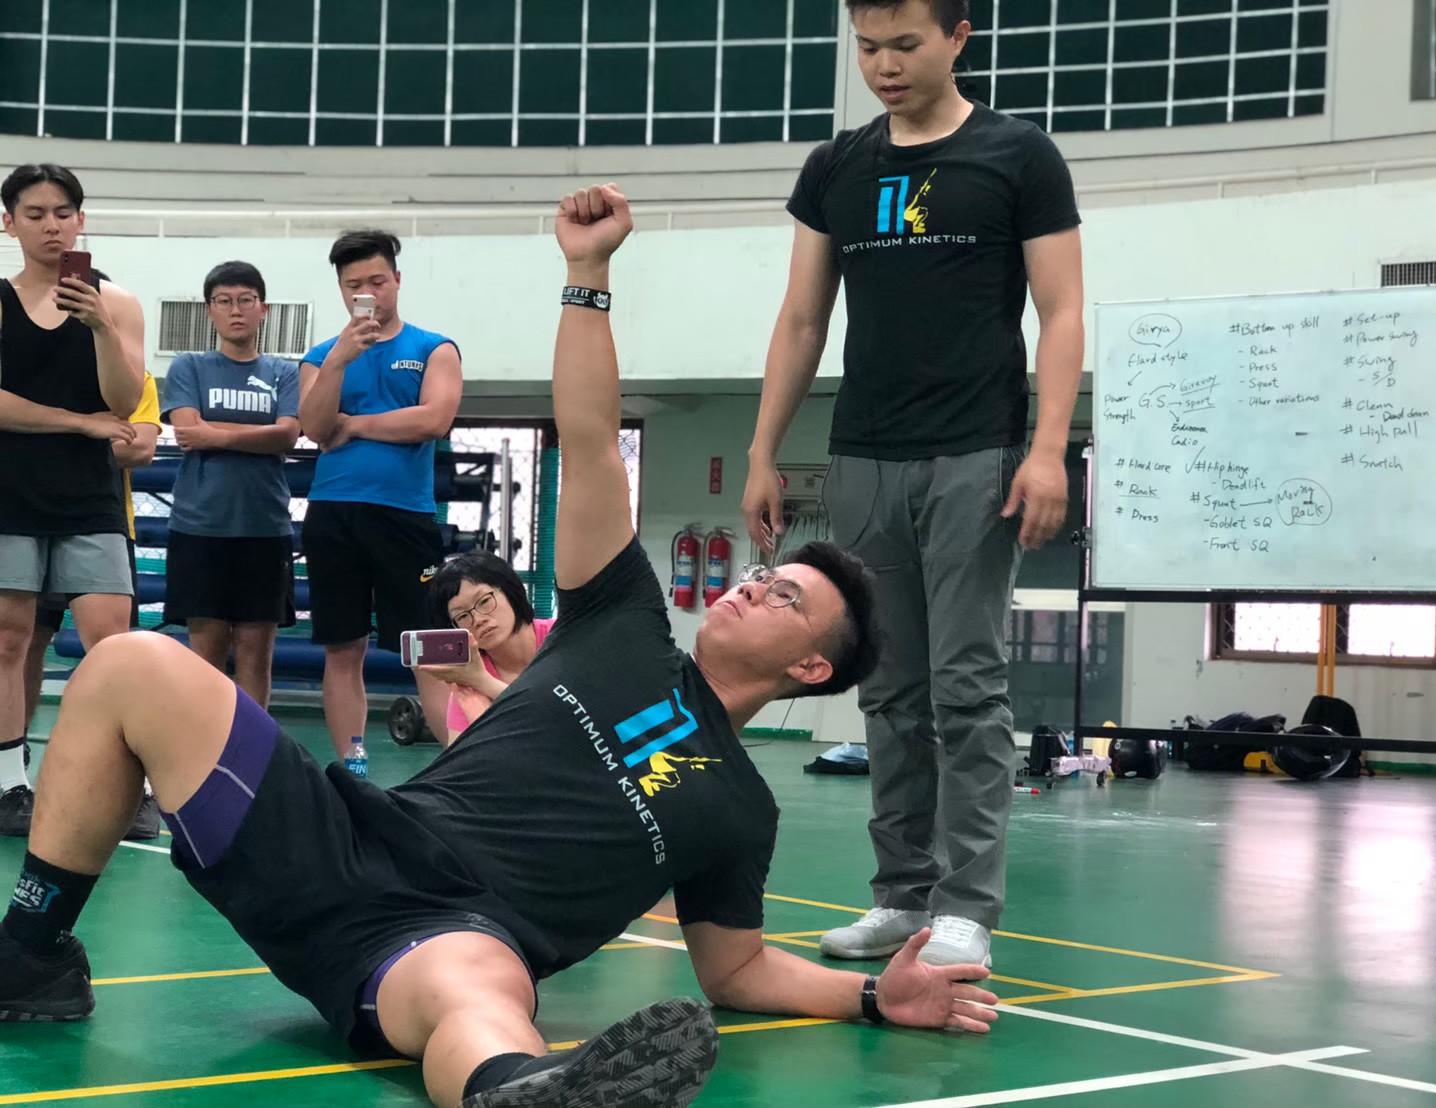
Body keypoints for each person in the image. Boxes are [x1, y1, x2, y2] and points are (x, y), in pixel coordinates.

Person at [0, 185, 998, 1108]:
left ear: (810, 668)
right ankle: (32, 953)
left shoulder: (740, 811)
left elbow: (735, 969)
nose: (748, 584)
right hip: (344, 838)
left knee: (478, 992)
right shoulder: (623, 623)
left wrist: (876, 995)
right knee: (128, 663)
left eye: (782, 597)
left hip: (446, 938)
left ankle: (518, 1089)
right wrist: (587, 274)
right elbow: (591, 436)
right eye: (760, 573)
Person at [741, 0, 1085, 969]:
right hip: (863, 456)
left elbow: (1060, 312)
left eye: (904, 45)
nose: (883, 66)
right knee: (887, 687)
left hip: (977, 452)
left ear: (957, 38)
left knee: (966, 686)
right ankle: (900, 896)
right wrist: (764, 451)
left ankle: (966, 905)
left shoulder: (1018, 157)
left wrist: (1047, 449)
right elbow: (801, 320)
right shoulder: (836, 168)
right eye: (866, 48)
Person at [0, 163, 146, 837]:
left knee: (113, 643)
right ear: (9, 223)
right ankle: (10, 784)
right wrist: (79, 423)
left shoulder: (118, 303)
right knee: (8, 638)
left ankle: (132, 785)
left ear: (82, 220)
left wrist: (100, 328)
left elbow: (124, 400)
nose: (51, 225)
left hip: (89, 495)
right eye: (35, 214)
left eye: (63, 212)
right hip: (9, 489)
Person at [297, 230, 463, 767]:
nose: (366, 292)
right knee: (342, 647)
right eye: (353, 285)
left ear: (397, 280)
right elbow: (315, 427)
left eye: (376, 280)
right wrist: (339, 361)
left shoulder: (433, 348)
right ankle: (353, 764)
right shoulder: (320, 356)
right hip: (334, 513)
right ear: (341, 289)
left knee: (426, 646)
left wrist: (355, 424)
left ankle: (457, 763)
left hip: (405, 515)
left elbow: (433, 419)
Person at [27, 368, 161, 840]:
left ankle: (137, 785)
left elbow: (141, 448)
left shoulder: (134, 376)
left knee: (113, 650)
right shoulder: (26, 368)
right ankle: (13, 774)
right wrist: (85, 433)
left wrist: (47, 438)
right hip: (28, 516)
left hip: (101, 521)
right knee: (20, 645)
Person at [160, 261, 301, 710]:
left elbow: (288, 434)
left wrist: (215, 435)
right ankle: (204, 744)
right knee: (206, 655)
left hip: (265, 528)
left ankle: (253, 747)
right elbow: (187, 431)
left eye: (245, 300)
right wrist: (259, 436)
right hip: (200, 527)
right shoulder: (189, 366)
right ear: (210, 311)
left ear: (264, 309)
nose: (235, 310)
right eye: (224, 301)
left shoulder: (285, 372)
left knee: (256, 656)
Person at [421, 551, 556, 745]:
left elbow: (569, 717)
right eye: (462, 616)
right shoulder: (467, 685)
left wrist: (484, 684)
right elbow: (460, 758)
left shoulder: (563, 638)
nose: (478, 619)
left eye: (484, 601)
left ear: (509, 590)